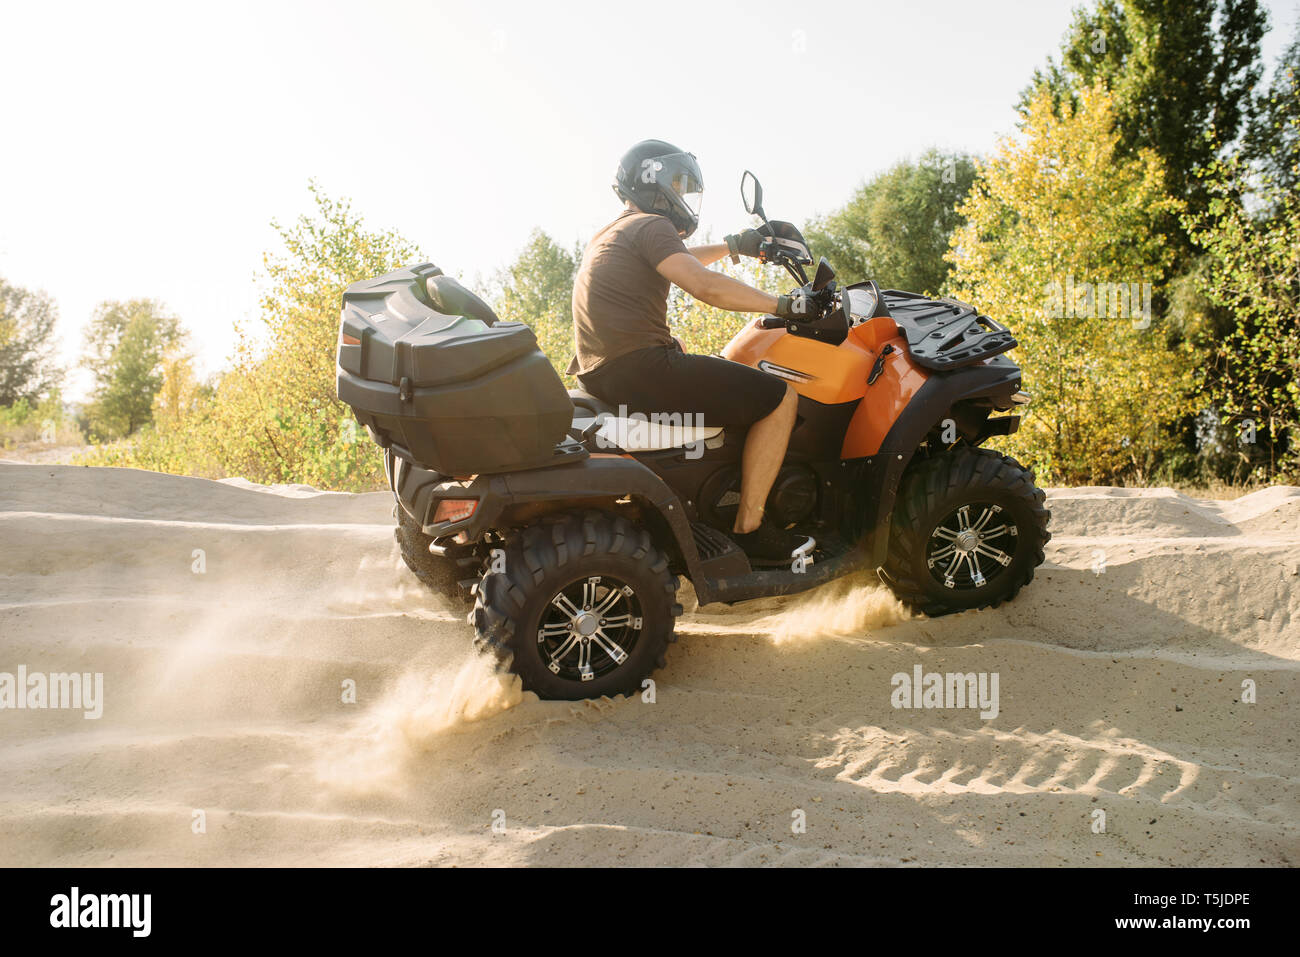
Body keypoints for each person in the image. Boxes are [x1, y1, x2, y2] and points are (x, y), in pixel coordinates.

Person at [569, 139, 812, 562]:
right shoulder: (651, 226)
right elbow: (703, 284)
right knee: (778, 398)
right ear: (654, 182)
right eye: (678, 185)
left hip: (606, 372)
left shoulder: (616, 231)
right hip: (641, 367)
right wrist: (784, 304)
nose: (683, 196)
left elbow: (680, 258)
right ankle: (751, 529)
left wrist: (735, 245)